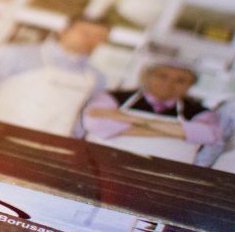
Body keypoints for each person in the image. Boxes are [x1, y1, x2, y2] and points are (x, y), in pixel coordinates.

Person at [0, 15, 110, 136]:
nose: (90, 40)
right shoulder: (13, 54)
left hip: (47, 150)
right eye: (85, 33)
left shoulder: (96, 78)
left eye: (99, 37)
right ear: (63, 30)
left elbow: (81, 121)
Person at [81, 61, 221, 163]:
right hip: (105, 166)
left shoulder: (200, 112)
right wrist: (181, 132)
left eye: (181, 80)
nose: (169, 83)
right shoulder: (113, 97)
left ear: (189, 86)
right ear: (146, 77)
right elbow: (94, 123)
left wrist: (136, 120)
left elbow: (209, 135)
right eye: (162, 76)